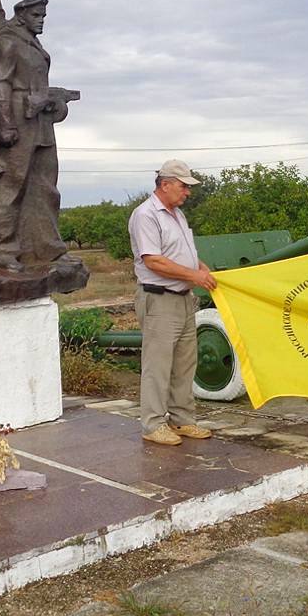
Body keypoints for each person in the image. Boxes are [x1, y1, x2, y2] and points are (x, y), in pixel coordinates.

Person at [0, 0, 77, 269]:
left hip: (41, 120)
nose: (41, 20)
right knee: (12, 184)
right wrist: (4, 123)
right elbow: (1, 83)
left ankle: (47, 248)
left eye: (43, 15)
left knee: (45, 186)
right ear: (21, 15)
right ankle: (3, 251)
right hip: (18, 118)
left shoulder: (33, 43)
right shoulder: (7, 39)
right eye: (37, 15)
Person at [127, 159, 218, 446]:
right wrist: (194, 275)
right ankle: (153, 424)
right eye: (183, 186)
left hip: (182, 298)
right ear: (165, 184)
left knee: (184, 363)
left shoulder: (177, 215)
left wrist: (201, 269)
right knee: (158, 365)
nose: (187, 192)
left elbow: (183, 253)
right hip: (159, 298)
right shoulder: (146, 215)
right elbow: (153, 260)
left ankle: (182, 420)